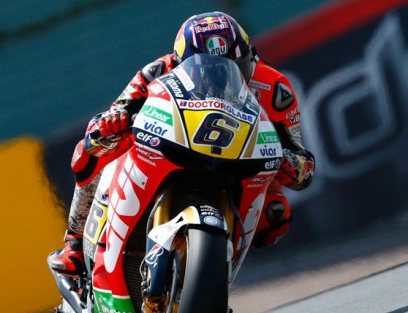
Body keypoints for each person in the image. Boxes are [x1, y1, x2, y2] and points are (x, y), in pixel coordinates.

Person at [48, 11, 315, 277]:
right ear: (180, 63)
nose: (220, 77)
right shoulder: (156, 72)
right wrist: (110, 124)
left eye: (234, 66)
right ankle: (74, 242)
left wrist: (293, 165)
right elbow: (113, 115)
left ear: (250, 58)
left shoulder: (274, 88)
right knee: (88, 151)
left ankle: (211, 264)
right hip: (172, 150)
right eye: (206, 69)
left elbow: (300, 158)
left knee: (275, 216)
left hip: (239, 165)